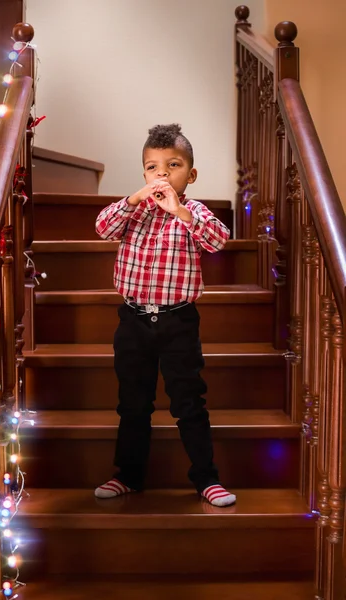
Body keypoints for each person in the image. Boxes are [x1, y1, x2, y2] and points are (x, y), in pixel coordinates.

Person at [94, 124, 236, 507]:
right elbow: (103, 227)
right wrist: (135, 199)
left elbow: (219, 240)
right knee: (133, 403)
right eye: (152, 167)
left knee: (188, 402)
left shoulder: (194, 213)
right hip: (134, 321)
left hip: (178, 322)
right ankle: (128, 475)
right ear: (143, 174)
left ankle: (206, 479)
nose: (162, 174)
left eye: (172, 166)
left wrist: (181, 212)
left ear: (189, 175)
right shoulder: (133, 213)